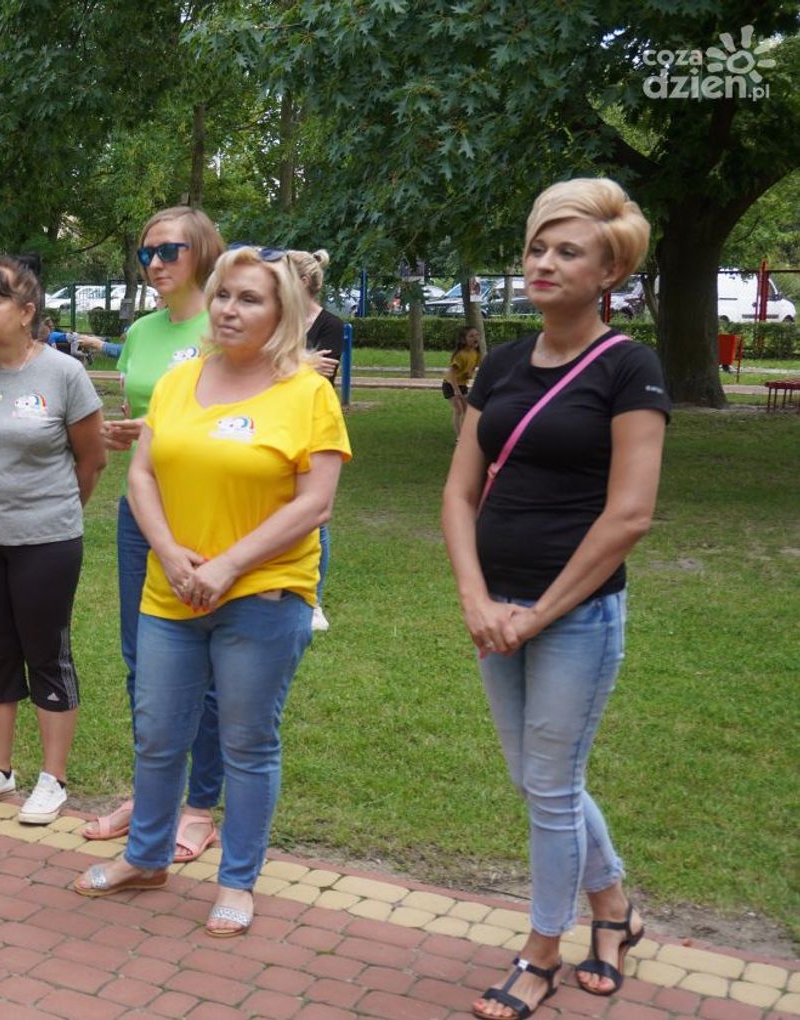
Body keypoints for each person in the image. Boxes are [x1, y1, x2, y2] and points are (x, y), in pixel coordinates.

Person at [72, 245, 350, 938]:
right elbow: (143, 474)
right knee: (159, 735)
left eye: (250, 299)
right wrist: (170, 553)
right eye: (224, 294)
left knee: (247, 742)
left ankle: (238, 880)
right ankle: (146, 858)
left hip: (262, 595)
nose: (229, 309)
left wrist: (226, 568)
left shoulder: (307, 392)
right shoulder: (180, 382)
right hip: (172, 592)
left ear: (282, 312)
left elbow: (315, 502)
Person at [441, 178, 666, 1018]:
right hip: (494, 606)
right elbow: (459, 492)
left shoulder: (631, 368)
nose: (544, 262)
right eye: (538, 247)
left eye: (568, 252)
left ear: (609, 273)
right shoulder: (501, 364)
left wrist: (537, 612)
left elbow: (629, 515)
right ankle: (614, 909)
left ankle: (541, 950)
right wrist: (476, 599)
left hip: (576, 615)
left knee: (550, 784)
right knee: (541, 780)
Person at [77, 206, 227, 865]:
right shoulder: (140, 331)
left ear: (203, 253)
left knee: (209, 667)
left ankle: (200, 806)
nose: (156, 263)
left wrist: (161, 433)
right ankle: (151, 795)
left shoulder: (225, 324)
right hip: (143, 512)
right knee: (144, 660)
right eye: (146, 254)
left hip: (209, 512)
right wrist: (123, 432)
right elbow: (145, 413)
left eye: (169, 250)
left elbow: (240, 410)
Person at [0, 257, 106, 823]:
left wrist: (53, 513)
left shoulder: (64, 373)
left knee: (46, 653)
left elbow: (92, 459)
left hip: (46, 540)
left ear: (28, 311)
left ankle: (52, 779)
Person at [288, 248, 344, 633]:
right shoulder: (275, 318)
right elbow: (259, 363)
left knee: (314, 513)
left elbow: (324, 376)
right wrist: (305, 362)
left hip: (314, 424)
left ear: (305, 281)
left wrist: (287, 362)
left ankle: (313, 600)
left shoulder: (330, 324)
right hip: (276, 421)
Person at [444, 324, 483, 438]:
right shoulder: (460, 355)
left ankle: (468, 435)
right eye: (471, 336)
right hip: (450, 385)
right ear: (463, 340)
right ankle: (459, 438)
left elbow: (474, 366)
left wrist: (470, 373)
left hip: (462, 385)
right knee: (459, 410)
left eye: (476, 335)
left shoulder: (476, 353)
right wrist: (456, 390)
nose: (475, 338)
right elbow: (451, 373)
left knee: (467, 410)